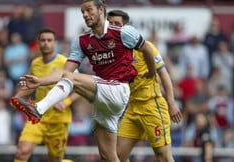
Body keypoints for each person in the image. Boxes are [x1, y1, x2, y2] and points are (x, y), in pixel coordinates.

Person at [10, 0, 156, 161]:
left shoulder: (123, 32)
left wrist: (151, 71)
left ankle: (39, 108)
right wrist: (39, 82)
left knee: (71, 78)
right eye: (82, 12)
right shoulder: (82, 41)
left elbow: (147, 49)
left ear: (101, 10)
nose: (85, 14)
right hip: (102, 100)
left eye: (89, 10)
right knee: (108, 156)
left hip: (118, 90)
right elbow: (65, 71)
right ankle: (38, 108)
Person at [107, 10, 183, 162]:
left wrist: (172, 102)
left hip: (152, 106)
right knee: (117, 156)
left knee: (163, 157)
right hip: (132, 108)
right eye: (111, 24)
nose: (114, 27)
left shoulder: (145, 47)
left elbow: (164, 75)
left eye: (118, 24)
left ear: (126, 26)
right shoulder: (113, 52)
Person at [11, 28, 79, 162]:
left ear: (55, 43)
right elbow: (30, 86)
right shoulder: (35, 63)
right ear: (38, 43)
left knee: (54, 160)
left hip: (58, 120)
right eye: (43, 40)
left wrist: (66, 102)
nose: (46, 43)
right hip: (37, 117)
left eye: (49, 40)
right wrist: (17, 97)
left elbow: (80, 87)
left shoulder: (65, 63)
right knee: (21, 152)